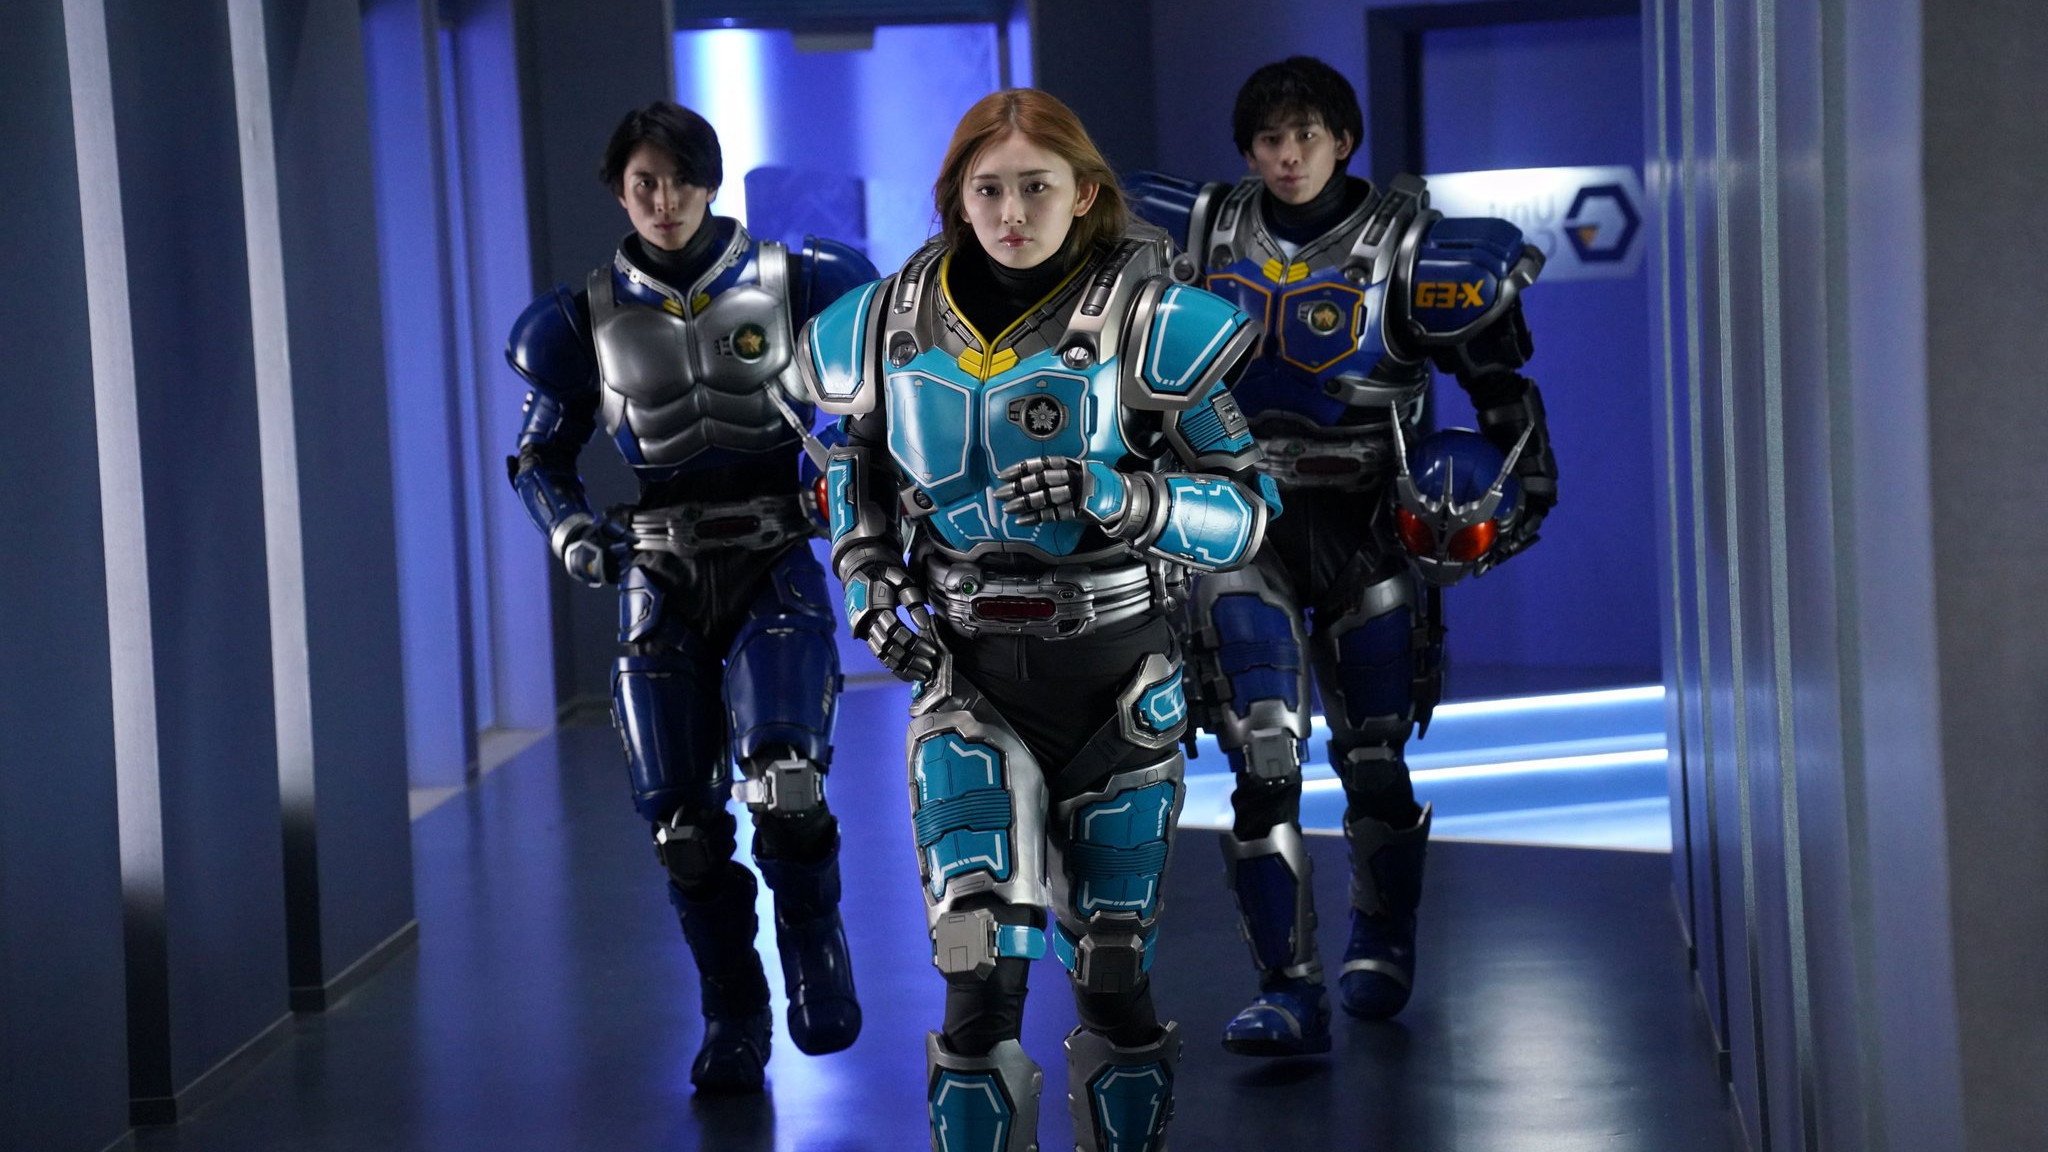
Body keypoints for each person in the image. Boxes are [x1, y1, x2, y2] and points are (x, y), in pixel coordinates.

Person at [790, 88, 1275, 1152]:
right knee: (975, 971)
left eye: (1036, 187)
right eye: (989, 188)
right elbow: (850, 468)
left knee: (1112, 968)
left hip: (1115, 677)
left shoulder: (1152, 319)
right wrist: (868, 583)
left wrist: (1122, 497)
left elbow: (1246, 509)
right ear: (957, 197)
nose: (1011, 212)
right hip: (966, 675)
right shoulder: (885, 322)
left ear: (1084, 192)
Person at [1127, 56, 1559, 1056]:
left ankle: (1382, 933)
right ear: (1247, 150)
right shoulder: (1192, 235)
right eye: (1270, 140)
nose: (1288, 156)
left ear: (1343, 141)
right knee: (1261, 752)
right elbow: (1123, 356)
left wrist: (1517, 493)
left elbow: (1500, 392)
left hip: (1367, 522)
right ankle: (1287, 986)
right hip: (1242, 521)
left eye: (1306, 137)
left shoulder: (1413, 248)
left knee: (1372, 755)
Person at [504, 100, 879, 1093]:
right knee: (681, 825)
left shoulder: (803, 281)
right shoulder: (577, 318)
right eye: (644, 184)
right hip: (658, 571)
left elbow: (875, 407)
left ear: (709, 181)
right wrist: (570, 528)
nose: (663, 200)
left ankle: (815, 951)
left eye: (679, 179)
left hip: (771, 559)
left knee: (789, 780)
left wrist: (846, 477)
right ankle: (733, 1012)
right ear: (619, 191)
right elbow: (538, 455)